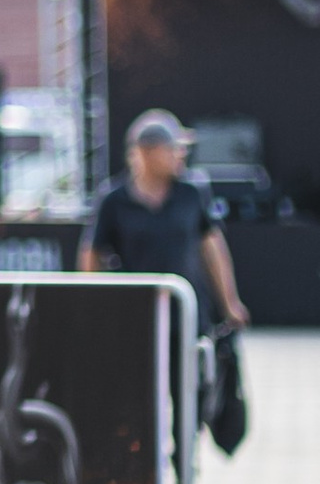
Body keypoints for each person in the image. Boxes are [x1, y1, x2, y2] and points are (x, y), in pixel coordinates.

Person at [86, 110, 250, 344]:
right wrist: (94, 306)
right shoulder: (112, 200)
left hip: (188, 314)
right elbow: (92, 253)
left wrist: (230, 303)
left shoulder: (192, 192)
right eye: (173, 147)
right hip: (135, 317)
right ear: (147, 152)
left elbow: (213, 249)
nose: (181, 154)